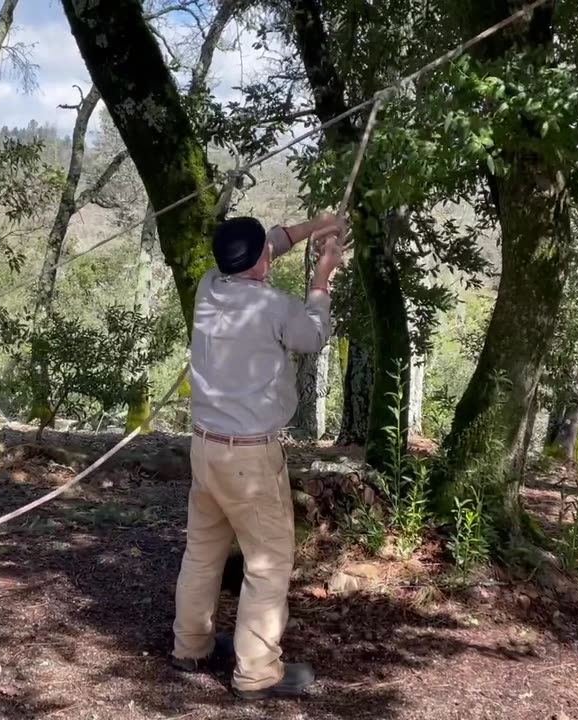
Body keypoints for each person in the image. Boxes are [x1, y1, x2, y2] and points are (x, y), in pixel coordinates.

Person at [170, 212, 345, 700]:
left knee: (202, 551)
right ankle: (256, 672)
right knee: (267, 564)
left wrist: (314, 226)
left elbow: (261, 245)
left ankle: (190, 647)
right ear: (260, 263)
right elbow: (313, 337)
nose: (272, 249)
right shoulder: (273, 307)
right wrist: (321, 276)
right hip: (249, 458)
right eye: (267, 250)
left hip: (205, 450)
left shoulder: (210, 285)